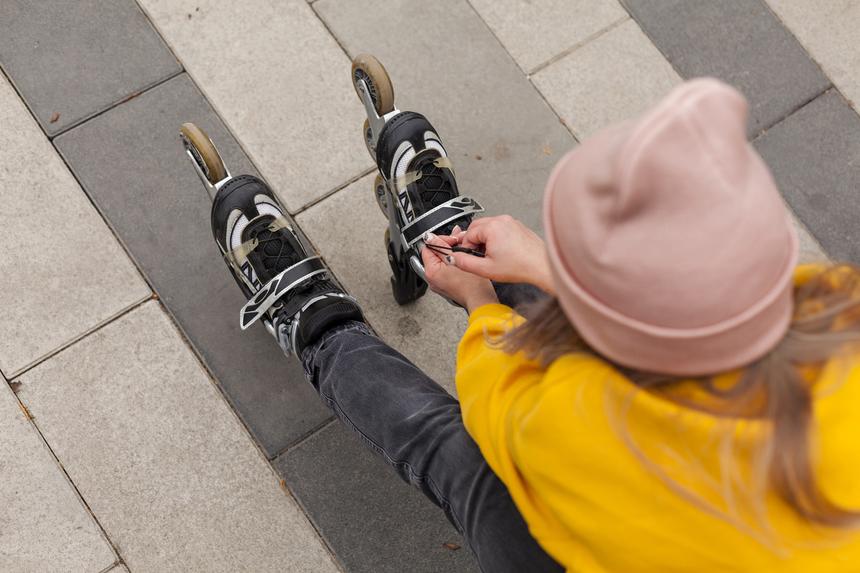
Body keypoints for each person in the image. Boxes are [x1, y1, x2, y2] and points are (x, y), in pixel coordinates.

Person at [213, 79, 860, 571]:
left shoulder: (592, 429)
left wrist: (485, 301)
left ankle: (316, 325)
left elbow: (499, 392)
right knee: (560, 323)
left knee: (455, 454)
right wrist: (551, 271)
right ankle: (448, 245)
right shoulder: (836, 314)